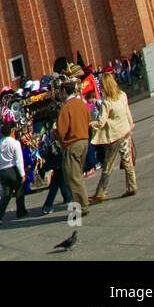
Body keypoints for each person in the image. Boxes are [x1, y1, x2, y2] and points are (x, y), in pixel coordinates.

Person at [91, 73, 137, 202]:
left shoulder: (107, 102)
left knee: (108, 165)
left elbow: (101, 122)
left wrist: (90, 124)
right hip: (125, 131)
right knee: (127, 159)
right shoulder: (122, 95)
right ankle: (132, 186)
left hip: (114, 136)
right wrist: (131, 124)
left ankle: (101, 192)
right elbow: (127, 111)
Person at [56, 79, 91, 218]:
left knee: (73, 177)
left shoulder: (66, 108)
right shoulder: (81, 104)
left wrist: (55, 135)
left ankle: (82, 207)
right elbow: (89, 120)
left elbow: (61, 131)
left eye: (60, 91)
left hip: (73, 143)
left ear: (64, 91)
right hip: (84, 141)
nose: (59, 94)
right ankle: (83, 203)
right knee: (78, 175)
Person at [0, 121, 28, 224]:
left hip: (2, 171)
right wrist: (22, 174)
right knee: (19, 190)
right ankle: (21, 211)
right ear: (12, 131)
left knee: (6, 194)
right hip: (13, 170)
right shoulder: (15, 143)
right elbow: (18, 160)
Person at [39, 124, 72, 215]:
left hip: (57, 162)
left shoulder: (48, 137)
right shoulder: (55, 139)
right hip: (59, 161)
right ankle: (48, 205)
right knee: (56, 183)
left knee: (60, 180)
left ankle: (67, 198)